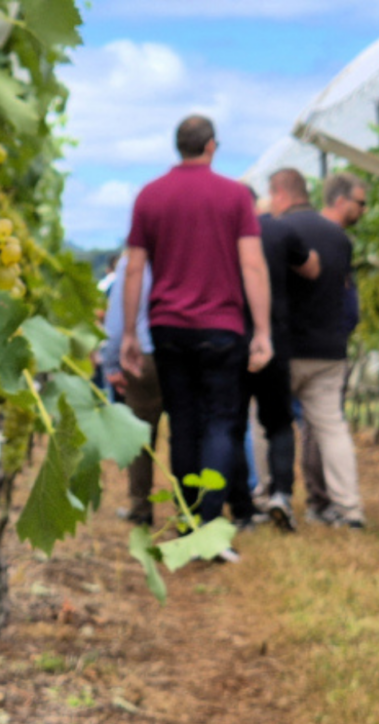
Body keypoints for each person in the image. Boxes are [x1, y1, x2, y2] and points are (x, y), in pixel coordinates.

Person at [122, 116, 272, 547]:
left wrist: (130, 333)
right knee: (222, 424)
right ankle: (210, 524)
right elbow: (252, 264)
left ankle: (187, 520)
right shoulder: (234, 195)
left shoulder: (150, 196)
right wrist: (261, 329)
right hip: (222, 326)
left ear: (178, 146)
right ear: (211, 146)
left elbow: (134, 268)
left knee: (183, 422)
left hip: (168, 327)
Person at [270, 169, 366, 528]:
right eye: (360, 202)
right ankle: (349, 508)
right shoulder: (339, 239)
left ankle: (269, 497)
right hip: (328, 350)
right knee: (331, 428)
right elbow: (345, 297)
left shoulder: (278, 230)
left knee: (272, 424)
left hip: (285, 346)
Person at [228, 187, 320, 530]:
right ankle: (281, 493)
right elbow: (312, 268)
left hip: (231, 340)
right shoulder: (280, 230)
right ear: (257, 204)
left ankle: (241, 508)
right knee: (279, 423)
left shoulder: (223, 234)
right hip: (273, 340)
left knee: (233, 426)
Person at [103, 252, 162, 526]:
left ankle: (141, 507)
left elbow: (116, 320)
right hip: (184, 352)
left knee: (140, 436)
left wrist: (112, 363)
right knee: (189, 432)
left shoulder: (133, 261)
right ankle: (196, 509)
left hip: (142, 356)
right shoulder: (184, 252)